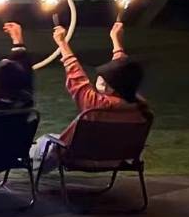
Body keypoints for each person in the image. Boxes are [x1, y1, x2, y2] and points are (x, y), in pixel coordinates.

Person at [31, 21, 148, 173]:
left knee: (44, 141)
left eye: (102, 77)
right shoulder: (141, 109)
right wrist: (117, 42)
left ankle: (24, 164)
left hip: (80, 158)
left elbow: (76, 77)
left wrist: (62, 43)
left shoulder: (96, 105)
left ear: (109, 86)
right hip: (117, 160)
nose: (98, 78)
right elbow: (124, 74)